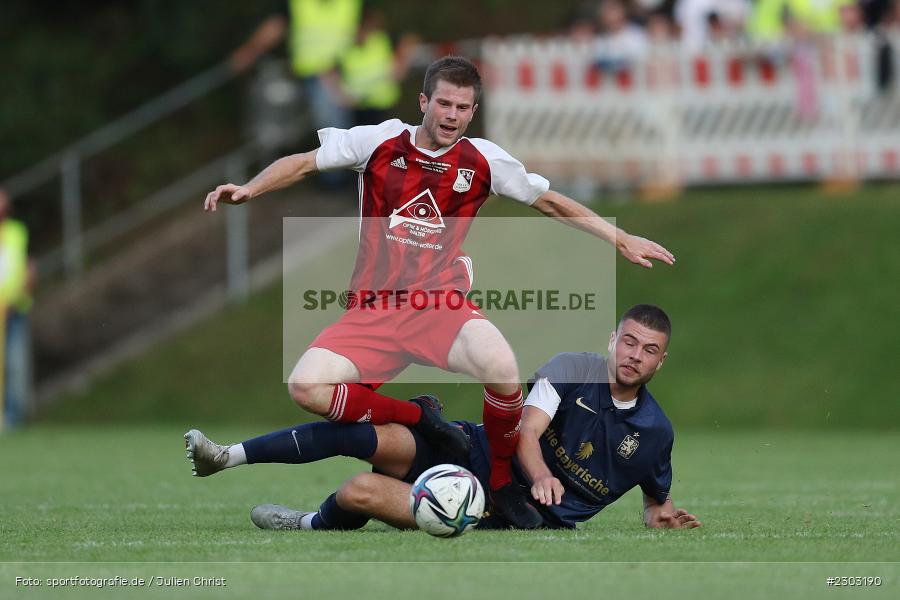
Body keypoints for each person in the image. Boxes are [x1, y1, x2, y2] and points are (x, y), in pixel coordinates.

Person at [202, 56, 676, 528]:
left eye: (463, 107)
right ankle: (419, 415)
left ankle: (499, 484)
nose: (452, 115)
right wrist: (250, 188)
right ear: (424, 102)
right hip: (374, 310)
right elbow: (304, 162)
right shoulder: (379, 140)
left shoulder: (483, 160)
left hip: (440, 307)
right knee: (306, 387)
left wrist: (618, 237)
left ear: (473, 113)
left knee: (503, 367)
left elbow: (548, 201)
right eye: (444, 103)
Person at [186, 304, 700, 531]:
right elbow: (528, 428)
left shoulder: (656, 434)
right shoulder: (571, 369)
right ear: (612, 341)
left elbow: (657, 501)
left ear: (661, 361)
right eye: (628, 341)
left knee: (356, 492)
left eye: (649, 349)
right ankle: (229, 456)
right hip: (478, 450)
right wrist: (541, 472)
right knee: (365, 436)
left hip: (501, 511)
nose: (634, 354)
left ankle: (307, 523)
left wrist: (663, 516)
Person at [0, 189, 34, 431]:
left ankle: (11, 416)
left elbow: (26, 266)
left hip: (14, 310)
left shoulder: (16, 231)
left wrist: (14, 300)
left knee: (14, 364)